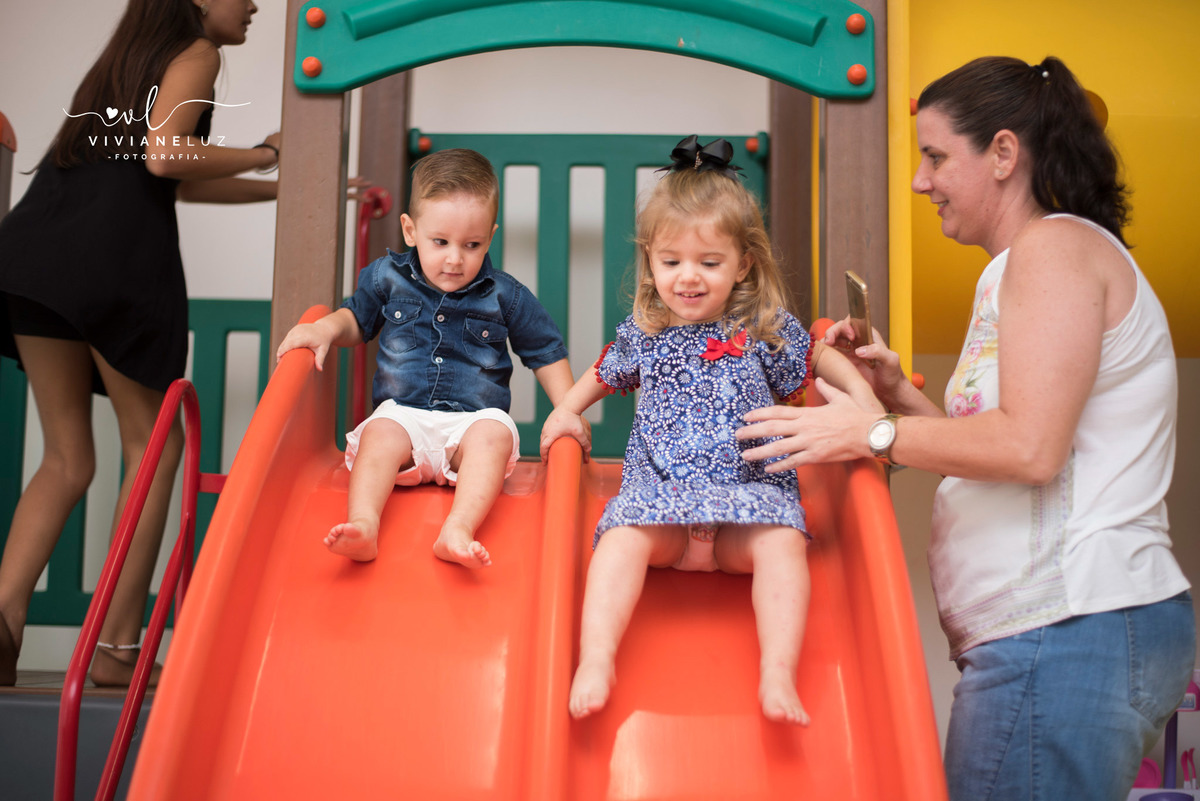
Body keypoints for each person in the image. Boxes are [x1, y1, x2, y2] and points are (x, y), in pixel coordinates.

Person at [737, 56, 1195, 799]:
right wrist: (895, 400)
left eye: (937, 156)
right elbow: (1001, 449)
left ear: (1004, 154)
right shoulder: (1022, 265)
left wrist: (871, 432)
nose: (922, 181)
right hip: (1057, 631)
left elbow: (1029, 449)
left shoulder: (1054, 249)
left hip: (1069, 624)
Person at [540, 136, 882, 725]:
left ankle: (778, 671)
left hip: (747, 511)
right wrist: (565, 411)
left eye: (709, 262)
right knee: (619, 541)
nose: (688, 277)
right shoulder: (645, 330)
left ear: (743, 263)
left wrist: (866, 399)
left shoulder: (761, 325)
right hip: (661, 510)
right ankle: (596, 658)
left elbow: (819, 357)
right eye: (671, 262)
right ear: (650, 260)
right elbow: (602, 371)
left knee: (783, 544)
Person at [0, 0, 283, 688]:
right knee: (155, 447)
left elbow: (167, 179)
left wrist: (280, 185)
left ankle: (2, 620)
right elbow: (165, 156)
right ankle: (118, 648)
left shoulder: (124, 63)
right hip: (110, 264)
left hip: (33, 258)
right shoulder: (198, 52)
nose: (253, 5)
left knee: (67, 457)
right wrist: (269, 151)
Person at [277, 148, 574, 568]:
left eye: (472, 245)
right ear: (410, 230)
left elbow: (544, 351)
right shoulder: (386, 278)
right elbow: (356, 319)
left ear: (490, 237)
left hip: (471, 423)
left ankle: (458, 529)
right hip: (404, 418)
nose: (455, 258)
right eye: (440, 242)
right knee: (378, 433)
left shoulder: (505, 295)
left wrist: (568, 410)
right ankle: (364, 524)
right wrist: (324, 328)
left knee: (495, 435)